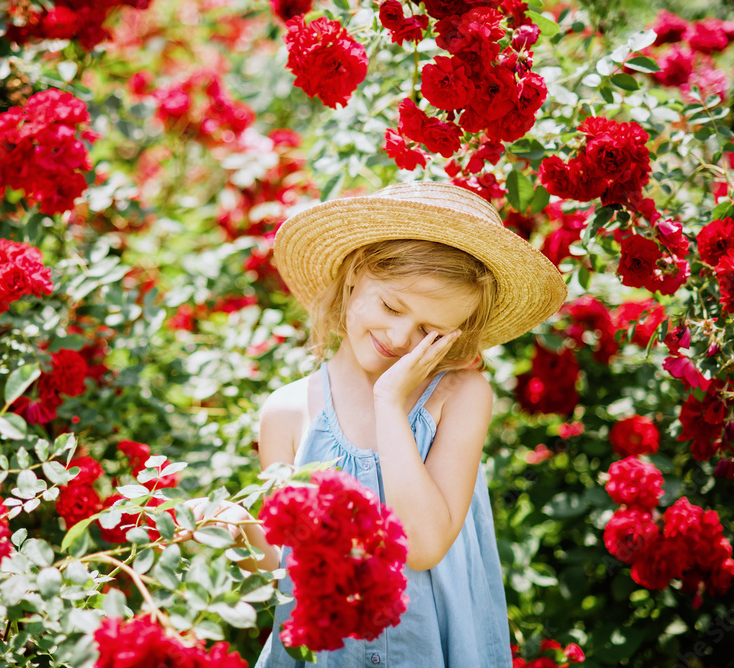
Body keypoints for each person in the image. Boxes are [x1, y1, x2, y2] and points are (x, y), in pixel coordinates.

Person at [196, 182, 566, 667]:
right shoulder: (289, 413)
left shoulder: (459, 397)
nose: (400, 338)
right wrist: (232, 527)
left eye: (430, 332)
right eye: (393, 307)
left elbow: (423, 545)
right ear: (354, 275)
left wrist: (390, 401)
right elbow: (280, 573)